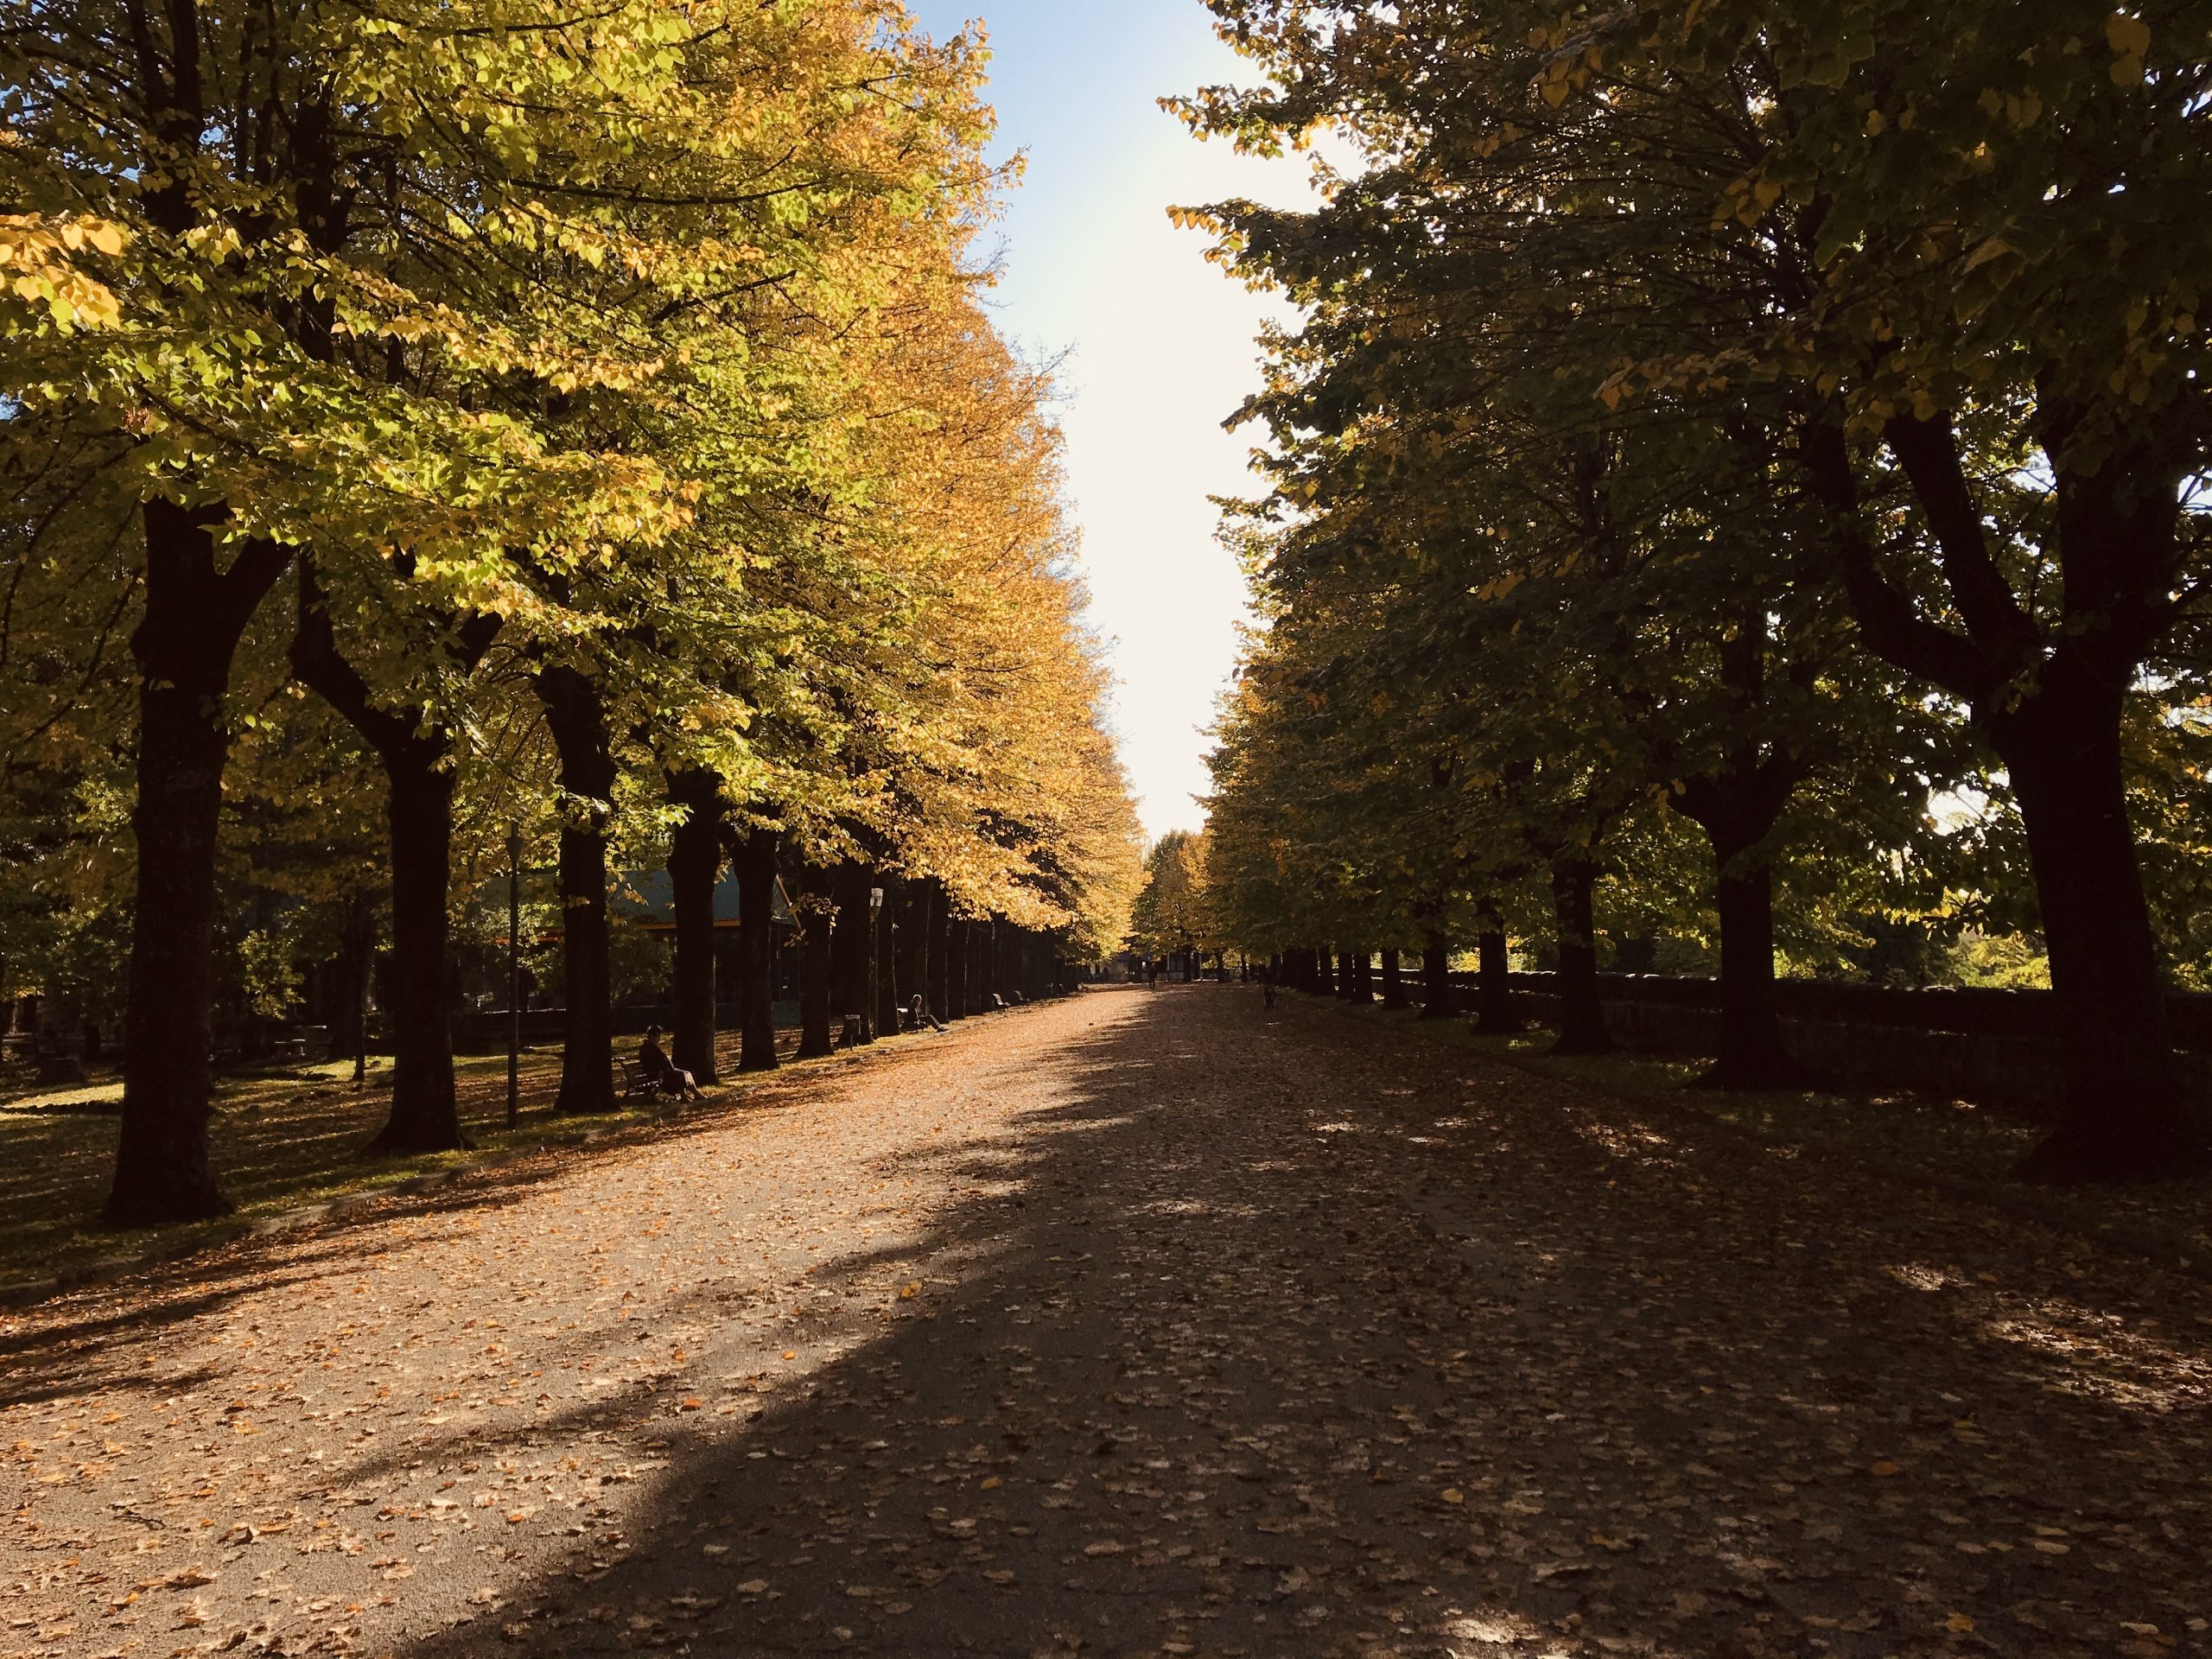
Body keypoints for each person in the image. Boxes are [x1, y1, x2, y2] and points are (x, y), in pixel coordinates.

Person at [639, 1026, 702, 1100]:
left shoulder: (652, 1047)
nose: (659, 1039)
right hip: (657, 1075)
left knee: (687, 1073)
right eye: (658, 1037)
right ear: (652, 1037)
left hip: (666, 1071)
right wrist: (659, 1071)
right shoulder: (647, 1049)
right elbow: (649, 1064)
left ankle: (695, 1094)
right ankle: (684, 1097)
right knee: (681, 1075)